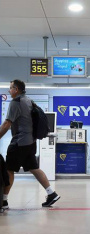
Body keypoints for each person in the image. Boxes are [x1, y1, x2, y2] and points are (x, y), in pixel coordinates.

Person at [0, 80, 60, 209]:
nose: (9, 90)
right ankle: (51, 193)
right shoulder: (28, 100)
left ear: (16, 89)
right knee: (34, 168)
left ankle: (3, 201)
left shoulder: (16, 102)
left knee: (9, 169)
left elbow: (6, 124)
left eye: (10, 88)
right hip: (30, 142)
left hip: (19, 142)